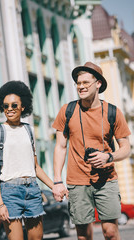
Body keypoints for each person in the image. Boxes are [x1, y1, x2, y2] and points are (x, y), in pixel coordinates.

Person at [52, 62, 131, 240]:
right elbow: (60, 146)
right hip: (77, 181)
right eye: (78, 83)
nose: (81, 87)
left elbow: (126, 148)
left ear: (98, 84)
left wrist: (108, 156)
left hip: (106, 179)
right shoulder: (67, 111)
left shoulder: (113, 112)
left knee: (110, 232)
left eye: (86, 82)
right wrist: (57, 180)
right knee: (83, 236)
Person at [0, 80, 53, 240]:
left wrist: (54, 187)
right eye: (5, 106)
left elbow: (35, 167)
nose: (9, 109)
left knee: (37, 238)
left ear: (23, 106)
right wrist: (0, 203)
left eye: (14, 105)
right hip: (9, 193)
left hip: (32, 190)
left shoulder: (29, 130)